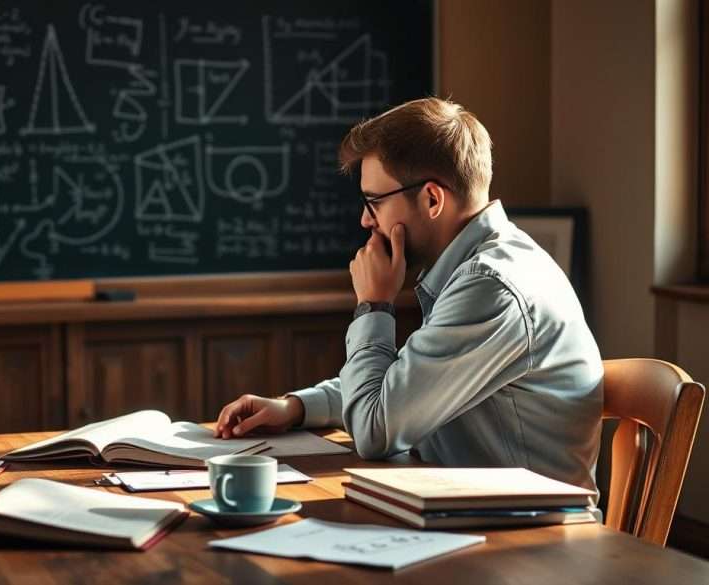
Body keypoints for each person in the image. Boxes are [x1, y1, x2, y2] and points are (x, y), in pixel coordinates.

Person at [213, 97, 603, 491]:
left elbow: (375, 429)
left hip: (532, 539)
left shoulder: (490, 285)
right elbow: (406, 387)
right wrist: (296, 408)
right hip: (475, 512)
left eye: (374, 202)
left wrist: (374, 305)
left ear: (432, 199)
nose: (366, 218)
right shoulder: (474, 268)